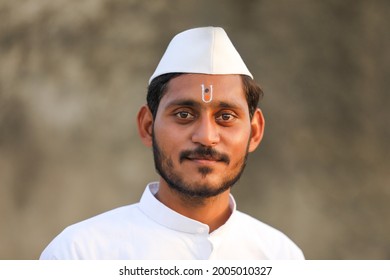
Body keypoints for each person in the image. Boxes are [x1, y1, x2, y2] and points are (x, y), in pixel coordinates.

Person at [40, 26, 304, 260]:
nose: (206, 137)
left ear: (255, 131)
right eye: (184, 115)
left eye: (225, 117)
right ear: (147, 126)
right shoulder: (79, 255)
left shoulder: (281, 256)